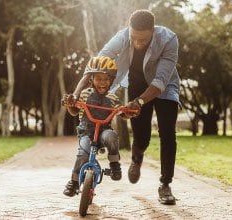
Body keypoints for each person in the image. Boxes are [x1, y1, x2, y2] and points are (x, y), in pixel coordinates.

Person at [72, 9, 180, 205]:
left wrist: (139, 102)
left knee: (167, 133)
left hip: (164, 88)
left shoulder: (168, 39)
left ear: (153, 31)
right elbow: (97, 64)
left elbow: (161, 80)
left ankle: (165, 184)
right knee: (142, 135)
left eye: (143, 40)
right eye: (134, 38)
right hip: (137, 84)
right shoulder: (122, 36)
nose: (137, 43)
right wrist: (76, 92)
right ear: (129, 31)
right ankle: (137, 156)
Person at [62, 56, 131, 197]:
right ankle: (74, 182)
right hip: (86, 132)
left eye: (106, 79)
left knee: (111, 137)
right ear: (91, 80)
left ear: (111, 80)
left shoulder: (112, 97)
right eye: (98, 78)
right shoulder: (84, 94)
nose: (102, 82)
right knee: (83, 153)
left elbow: (121, 112)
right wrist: (70, 105)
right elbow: (75, 111)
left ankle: (114, 164)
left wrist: (128, 113)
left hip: (104, 132)